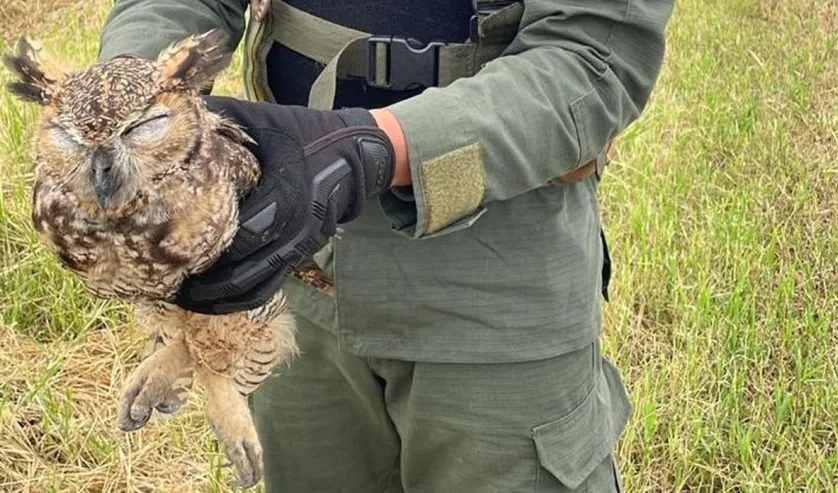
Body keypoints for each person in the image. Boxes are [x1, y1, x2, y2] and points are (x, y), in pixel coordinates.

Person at [98, 0, 674, 491]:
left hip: (498, 258)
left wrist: (369, 151)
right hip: (285, 259)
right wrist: (123, 106)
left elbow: (591, 59)